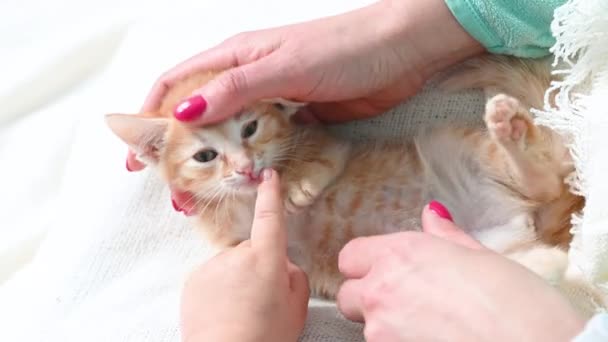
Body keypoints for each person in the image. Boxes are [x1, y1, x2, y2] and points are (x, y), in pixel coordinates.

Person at [127, 0, 607, 340]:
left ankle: (535, 172)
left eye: (251, 129)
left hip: (449, 205)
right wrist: (405, 32)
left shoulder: (301, 150)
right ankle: (534, 236)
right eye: (207, 156)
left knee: (452, 152)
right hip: (460, 254)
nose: (244, 163)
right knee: (522, 251)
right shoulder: (217, 219)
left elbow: (324, 154)